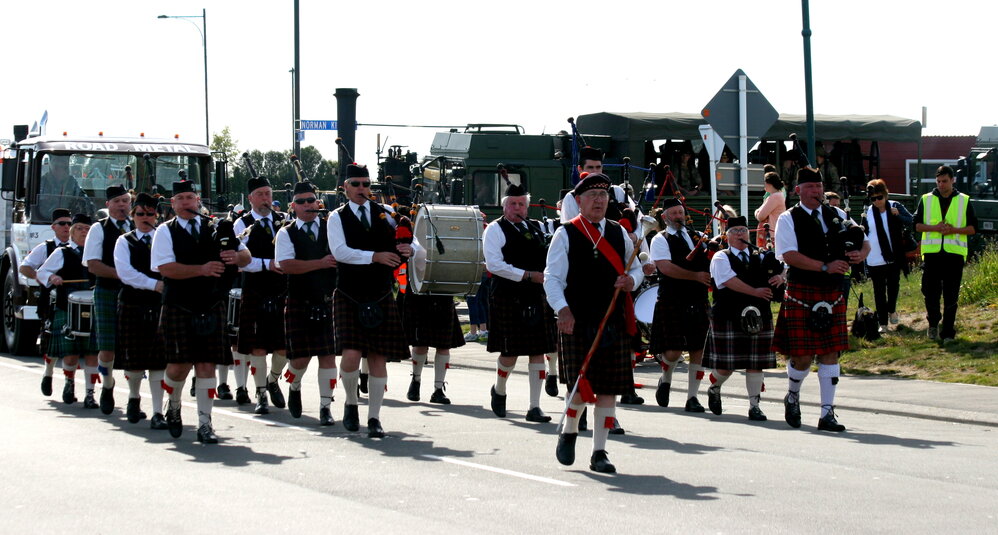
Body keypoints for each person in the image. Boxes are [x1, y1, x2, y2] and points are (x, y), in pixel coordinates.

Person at [547, 173, 644, 473]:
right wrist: (562, 310)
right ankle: (569, 431)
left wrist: (631, 281)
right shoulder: (565, 233)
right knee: (579, 389)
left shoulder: (618, 232)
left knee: (607, 390)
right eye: (592, 196)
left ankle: (599, 452)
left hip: (612, 319)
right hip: (577, 320)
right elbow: (552, 278)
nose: (599, 201)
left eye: (603, 195)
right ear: (579, 201)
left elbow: (636, 269)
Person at [152, 180, 250, 443]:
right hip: (179, 304)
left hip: (211, 304)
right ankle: (174, 404)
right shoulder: (165, 231)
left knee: (206, 365)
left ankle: (205, 424)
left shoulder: (216, 227)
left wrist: (236, 258)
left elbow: (246, 256)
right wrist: (202, 269)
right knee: (178, 367)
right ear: (173, 204)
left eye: (190, 197)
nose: (186, 202)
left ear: (198, 201)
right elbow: (165, 269)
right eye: (181, 199)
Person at [773, 167, 869, 432]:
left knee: (830, 353)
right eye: (810, 187)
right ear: (798, 191)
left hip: (832, 291)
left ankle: (827, 413)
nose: (816, 191)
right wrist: (825, 267)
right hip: (803, 289)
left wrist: (860, 254)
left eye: (819, 186)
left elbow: (864, 239)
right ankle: (793, 395)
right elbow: (789, 255)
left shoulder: (837, 214)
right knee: (802, 357)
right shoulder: (788, 218)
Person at [328, 164, 413, 438]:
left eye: (365, 183)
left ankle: (374, 417)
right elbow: (340, 252)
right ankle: (351, 403)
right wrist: (374, 256)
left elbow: (411, 244)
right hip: (350, 292)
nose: (361, 188)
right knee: (351, 355)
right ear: (345, 187)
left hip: (380, 292)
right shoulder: (336, 217)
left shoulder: (386, 214)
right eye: (356, 184)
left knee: (378, 357)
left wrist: (409, 248)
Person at [483, 181, 558, 423]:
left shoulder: (536, 227)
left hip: (536, 294)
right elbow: (494, 265)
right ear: (505, 206)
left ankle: (534, 407)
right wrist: (526, 275)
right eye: (513, 204)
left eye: (522, 204)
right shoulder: (494, 229)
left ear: (527, 206)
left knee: (538, 351)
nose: (518, 208)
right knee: (510, 353)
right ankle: (499, 390)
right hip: (508, 295)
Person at [702, 216, 783, 421]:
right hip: (729, 315)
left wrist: (781, 277)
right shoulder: (721, 257)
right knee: (726, 367)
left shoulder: (761, 255)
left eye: (743, 230)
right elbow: (728, 281)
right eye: (735, 231)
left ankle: (754, 406)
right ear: (727, 236)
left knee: (755, 364)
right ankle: (714, 387)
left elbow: (783, 265)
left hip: (758, 315)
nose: (740, 234)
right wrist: (755, 292)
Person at [273, 181, 339, 425]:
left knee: (328, 356)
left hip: (327, 299)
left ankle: (325, 407)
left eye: (311, 200)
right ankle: (294, 385)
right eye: (301, 202)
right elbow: (285, 265)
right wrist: (320, 263)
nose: (307, 205)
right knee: (300, 360)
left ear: (318, 203)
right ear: (293, 206)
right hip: (299, 299)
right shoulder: (286, 233)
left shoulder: (332, 228)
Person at [648, 197, 711, 412]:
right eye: (674, 213)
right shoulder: (660, 239)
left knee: (698, 349)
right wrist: (695, 276)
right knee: (673, 351)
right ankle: (665, 378)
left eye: (680, 213)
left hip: (698, 298)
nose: (678, 217)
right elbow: (665, 268)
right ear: (664, 217)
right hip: (672, 298)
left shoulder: (698, 236)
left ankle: (692, 397)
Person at [233, 176, 290, 415]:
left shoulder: (284, 220)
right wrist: (268, 264)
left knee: (283, 348)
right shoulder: (241, 224)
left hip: (281, 290)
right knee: (257, 348)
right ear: (250, 198)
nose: (265, 199)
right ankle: (261, 394)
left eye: (268, 193)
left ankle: (272, 379)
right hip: (255, 289)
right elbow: (240, 261)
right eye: (260, 194)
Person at [113, 193, 169, 429]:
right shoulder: (124, 241)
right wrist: (154, 284)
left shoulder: (165, 239)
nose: (145, 218)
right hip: (133, 303)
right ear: (132, 216)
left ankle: (158, 412)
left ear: (156, 215)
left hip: (160, 305)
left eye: (150, 214)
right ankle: (134, 397)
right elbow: (125, 273)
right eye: (140, 214)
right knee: (134, 361)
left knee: (158, 362)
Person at [37, 214, 98, 407]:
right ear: (72, 232)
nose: (84, 232)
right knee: (70, 354)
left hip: (93, 306)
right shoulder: (62, 252)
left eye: (87, 229)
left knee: (92, 353)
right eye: (79, 228)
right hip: (67, 306)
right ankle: (68, 384)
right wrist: (52, 278)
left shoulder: (97, 253)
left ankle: (90, 394)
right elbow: (42, 272)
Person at [82, 185, 133, 415]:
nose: (122, 205)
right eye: (117, 201)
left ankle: (134, 397)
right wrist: (125, 275)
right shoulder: (98, 228)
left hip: (136, 293)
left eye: (125, 201)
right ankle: (107, 385)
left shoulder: (138, 227)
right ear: (108, 205)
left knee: (135, 347)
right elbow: (93, 265)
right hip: (107, 291)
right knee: (107, 347)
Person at [914, 166, 977, 342]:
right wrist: (935, 228)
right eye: (939, 181)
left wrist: (953, 230)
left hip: (954, 255)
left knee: (951, 295)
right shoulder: (926, 199)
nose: (941, 185)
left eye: (945, 181)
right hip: (932, 255)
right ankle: (933, 324)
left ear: (952, 180)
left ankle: (948, 332)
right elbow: (917, 225)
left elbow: (973, 228)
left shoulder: (964, 200)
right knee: (930, 293)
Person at [21, 208, 73, 396]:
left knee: (73, 346)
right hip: (51, 302)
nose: (66, 227)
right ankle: (48, 373)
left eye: (69, 223)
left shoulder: (79, 248)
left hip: (74, 302)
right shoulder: (46, 247)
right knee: (51, 342)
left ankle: (69, 383)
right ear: (53, 227)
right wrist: (43, 277)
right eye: (62, 223)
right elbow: (24, 267)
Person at [861, 179, 913, 330]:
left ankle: (892, 310)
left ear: (885, 195)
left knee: (893, 287)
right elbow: (863, 230)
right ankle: (882, 323)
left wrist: (898, 215)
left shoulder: (895, 206)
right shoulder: (868, 211)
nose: (877, 201)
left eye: (879, 197)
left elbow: (911, 220)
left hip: (894, 256)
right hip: (875, 257)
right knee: (879, 291)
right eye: (873, 199)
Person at [559, 146, 638, 224]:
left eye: (598, 167)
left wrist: (632, 231)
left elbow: (638, 220)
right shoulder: (571, 198)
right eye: (590, 167)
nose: (595, 171)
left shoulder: (616, 192)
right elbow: (569, 227)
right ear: (580, 169)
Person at [754, 172, 786, 248]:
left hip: (771, 235)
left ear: (769, 183)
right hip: (772, 233)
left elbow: (760, 216)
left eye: (764, 182)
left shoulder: (775, 197)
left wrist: (756, 212)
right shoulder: (775, 196)